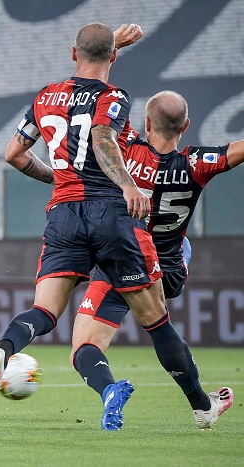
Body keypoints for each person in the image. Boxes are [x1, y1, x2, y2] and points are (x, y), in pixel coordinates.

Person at [0, 22, 231, 431]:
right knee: (157, 322)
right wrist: (126, 186)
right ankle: (201, 406)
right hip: (115, 222)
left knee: (45, 311)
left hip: (63, 214)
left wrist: (59, 178)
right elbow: (103, 133)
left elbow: (15, 154)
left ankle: (3, 350)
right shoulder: (122, 104)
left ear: (73, 54)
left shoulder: (44, 97)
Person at [70, 90, 238, 429]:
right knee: (160, 324)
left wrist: (114, 48)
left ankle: (109, 391)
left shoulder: (126, 149)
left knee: (84, 348)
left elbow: (102, 117)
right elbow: (237, 150)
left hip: (121, 259)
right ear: (186, 126)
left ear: (146, 123)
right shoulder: (196, 162)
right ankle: (202, 405)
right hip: (168, 270)